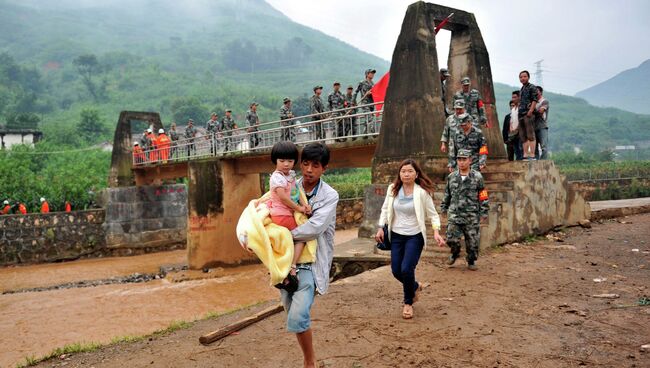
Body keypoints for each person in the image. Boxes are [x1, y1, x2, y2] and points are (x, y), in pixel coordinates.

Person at [280, 142, 339, 368]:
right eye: (305, 164)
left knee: (297, 315)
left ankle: (309, 361)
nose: (309, 170)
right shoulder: (288, 187)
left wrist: (282, 236)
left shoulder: (330, 195)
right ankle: (310, 359)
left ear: (324, 168)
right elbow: (267, 210)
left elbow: (315, 227)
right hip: (286, 261)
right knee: (294, 314)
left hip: (312, 262)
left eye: (315, 165)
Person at [375, 159, 445, 319]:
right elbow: (385, 208)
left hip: (415, 236)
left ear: (416, 174)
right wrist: (380, 227)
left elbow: (433, 214)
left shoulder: (422, 193)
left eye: (410, 171)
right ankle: (415, 286)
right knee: (396, 271)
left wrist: (436, 232)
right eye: (403, 171)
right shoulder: (392, 189)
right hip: (396, 236)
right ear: (399, 174)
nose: (406, 174)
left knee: (407, 269)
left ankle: (408, 303)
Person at [268, 141, 313, 288]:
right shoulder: (277, 177)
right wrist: (299, 208)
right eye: (282, 161)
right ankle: (292, 267)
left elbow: (296, 192)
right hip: (282, 214)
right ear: (275, 160)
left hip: (287, 213)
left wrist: (304, 204)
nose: (286, 164)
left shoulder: (290, 175)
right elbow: (284, 197)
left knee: (287, 242)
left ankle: (283, 271)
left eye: (290, 161)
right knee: (300, 238)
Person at [441, 148, 489, 270]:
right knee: (451, 238)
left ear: (470, 160)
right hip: (455, 214)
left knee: (472, 242)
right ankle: (455, 252)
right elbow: (447, 194)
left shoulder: (477, 177)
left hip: (471, 215)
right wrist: (444, 208)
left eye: (464, 159)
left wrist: (484, 210)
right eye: (459, 159)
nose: (461, 162)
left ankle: (471, 260)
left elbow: (483, 194)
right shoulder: (451, 177)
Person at [518, 70, 538, 160]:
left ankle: (532, 154)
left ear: (528, 77)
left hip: (528, 113)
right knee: (523, 135)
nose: (523, 78)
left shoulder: (532, 87)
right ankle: (525, 154)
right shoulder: (521, 89)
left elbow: (535, 99)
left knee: (530, 134)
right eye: (521, 77)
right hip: (521, 113)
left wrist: (531, 110)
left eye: (524, 76)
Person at [354, 68, 376, 134]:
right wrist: (353, 102)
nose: (372, 74)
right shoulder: (362, 83)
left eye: (373, 73)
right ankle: (374, 132)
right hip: (365, 103)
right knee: (370, 118)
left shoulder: (373, 84)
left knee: (368, 118)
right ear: (367, 74)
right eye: (371, 73)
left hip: (371, 104)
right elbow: (355, 92)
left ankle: (364, 133)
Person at [535, 86, 550, 160]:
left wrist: (532, 111)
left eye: (536, 91)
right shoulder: (533, 102)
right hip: (533, 127)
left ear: (540, 92)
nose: (535, 93)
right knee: (534, 148)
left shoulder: (544, 101)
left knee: (544, 146)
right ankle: (537, 163)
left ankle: (542, 162)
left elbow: (541, 112)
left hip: (542, 126)